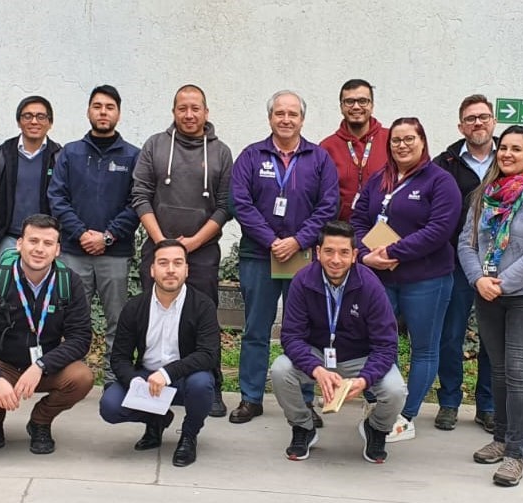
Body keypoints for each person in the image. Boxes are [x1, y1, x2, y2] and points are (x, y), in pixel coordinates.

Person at [458, 126, 523, 487]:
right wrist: (478, 280)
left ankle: (516, 453)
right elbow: (466, 243)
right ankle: (501, 438)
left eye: (515, 149)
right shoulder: (484, 195)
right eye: (502, 148)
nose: (506, 154)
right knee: (500, 371)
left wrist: (502, 283)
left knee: (519, 373)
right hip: (488, 294)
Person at [229, 90, 339, 425]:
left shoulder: (319, 159)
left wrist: (298, 240)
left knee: (304, 331)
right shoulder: (250, 156)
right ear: (270, 118)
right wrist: (272, 241)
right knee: (255, 329)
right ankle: (251, 398)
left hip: (303, 258)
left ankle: (304, 399)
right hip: (258, 257)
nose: (286, 119)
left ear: (302, 119)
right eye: (280, 113)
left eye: (293, 114)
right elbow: (240, 203)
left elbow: (328, 205)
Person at [351, 117, 460, 442]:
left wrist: (395, 251)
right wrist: (363, 251)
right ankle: (384, 403)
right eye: (396, 140)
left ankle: (404, 414)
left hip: (426, 279)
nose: (402, 145)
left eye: (409, 138)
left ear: (423, 142)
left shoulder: (440, 181)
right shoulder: (378, 179)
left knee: (424, 348)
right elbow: (358, 217)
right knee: (379, 343)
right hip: (380, 277)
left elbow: (439, 230)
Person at [130, 84, 233, 417]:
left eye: (195, 108)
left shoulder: (220, 152)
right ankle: (147, 383)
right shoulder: (156, 145)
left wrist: (193, 243)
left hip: (201, 253)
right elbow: (140, 194)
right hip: (159, 248)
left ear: (206, 111)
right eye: (182, 108)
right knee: (152, 317)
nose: (189, 115)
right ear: (173, 111)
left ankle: (210, 383)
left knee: (204, 318)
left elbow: (225, 206)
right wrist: (163, 243)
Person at [0, 214, 95, 453]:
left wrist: (42, 365)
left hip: (44, 368)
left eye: (48, 243)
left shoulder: (68, 282)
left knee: (82, 378)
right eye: (33, 241)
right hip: (0, 365)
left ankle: (40, 421)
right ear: (20, 244)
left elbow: (80, 338)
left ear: (58, 249)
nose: (40, 249)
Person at [270, 220, 406, 463]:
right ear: (318, 252)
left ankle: (376, 428)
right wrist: (316, 369)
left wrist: (364, 379)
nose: (336, 260)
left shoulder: (370, 285)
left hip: (359, 359)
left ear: (354, 255)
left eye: (344, 252)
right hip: (317, 356)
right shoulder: (302, 281)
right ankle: (303, 426)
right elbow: (291, 336)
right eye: (329, 251)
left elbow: (386, 345)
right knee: (281, 370)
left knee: (395, 390)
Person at [48, 85, 140, 386]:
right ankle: (72, 377)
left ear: (119, 113)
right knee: (72, 319)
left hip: (114, 254)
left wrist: (109, 236)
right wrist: (81, 233)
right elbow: (57, 198)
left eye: (109, 107)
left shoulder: (133, 156)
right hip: (74, 252)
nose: (103, 112)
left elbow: (137, 201)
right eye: (98, 106)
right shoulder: (69, 154)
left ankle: (114, 378)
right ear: (89, 111)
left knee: (118, 321)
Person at [98, 239, 220, 467]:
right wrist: (134, 381)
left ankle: (188, 435)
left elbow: (208, 354)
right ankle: (157, 419)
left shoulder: (202, 305)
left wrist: (167, 373)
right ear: (152, 270)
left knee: (202, 383)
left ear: (187, 269)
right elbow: (119, 357)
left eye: (177, 263)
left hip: (184, 379)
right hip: (146, 378)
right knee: (110, 407)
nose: (171, 270)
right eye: (163, 263)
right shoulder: (135, 307)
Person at [432, 94, 499, 432]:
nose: (478, 123)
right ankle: (449, 402)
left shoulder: (512, 156)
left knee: (492, 337)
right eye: (471, 118)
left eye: (484, 117)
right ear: (461, 126)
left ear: (493, 122)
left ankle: (487, 405)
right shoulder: (444, 162)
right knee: (451, 334)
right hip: (456, 261)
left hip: (500, 263)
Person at [0, 95, 62, 264]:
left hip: (45, 239)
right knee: (3, 288)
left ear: (50, 123)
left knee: (44, 289)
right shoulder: (3, 154)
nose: (34, 121)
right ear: (18, 122)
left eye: (41, 116)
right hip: (8, 239)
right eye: (27, 116)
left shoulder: (59, 157)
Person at [318, 79, 389, 222]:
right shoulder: (327, 147)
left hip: (384, 228)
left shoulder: (391, 139)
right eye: (349, 101)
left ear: (372, 105)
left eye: (363, 101)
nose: (356, 106)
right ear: (341, 107)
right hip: (343, 232)